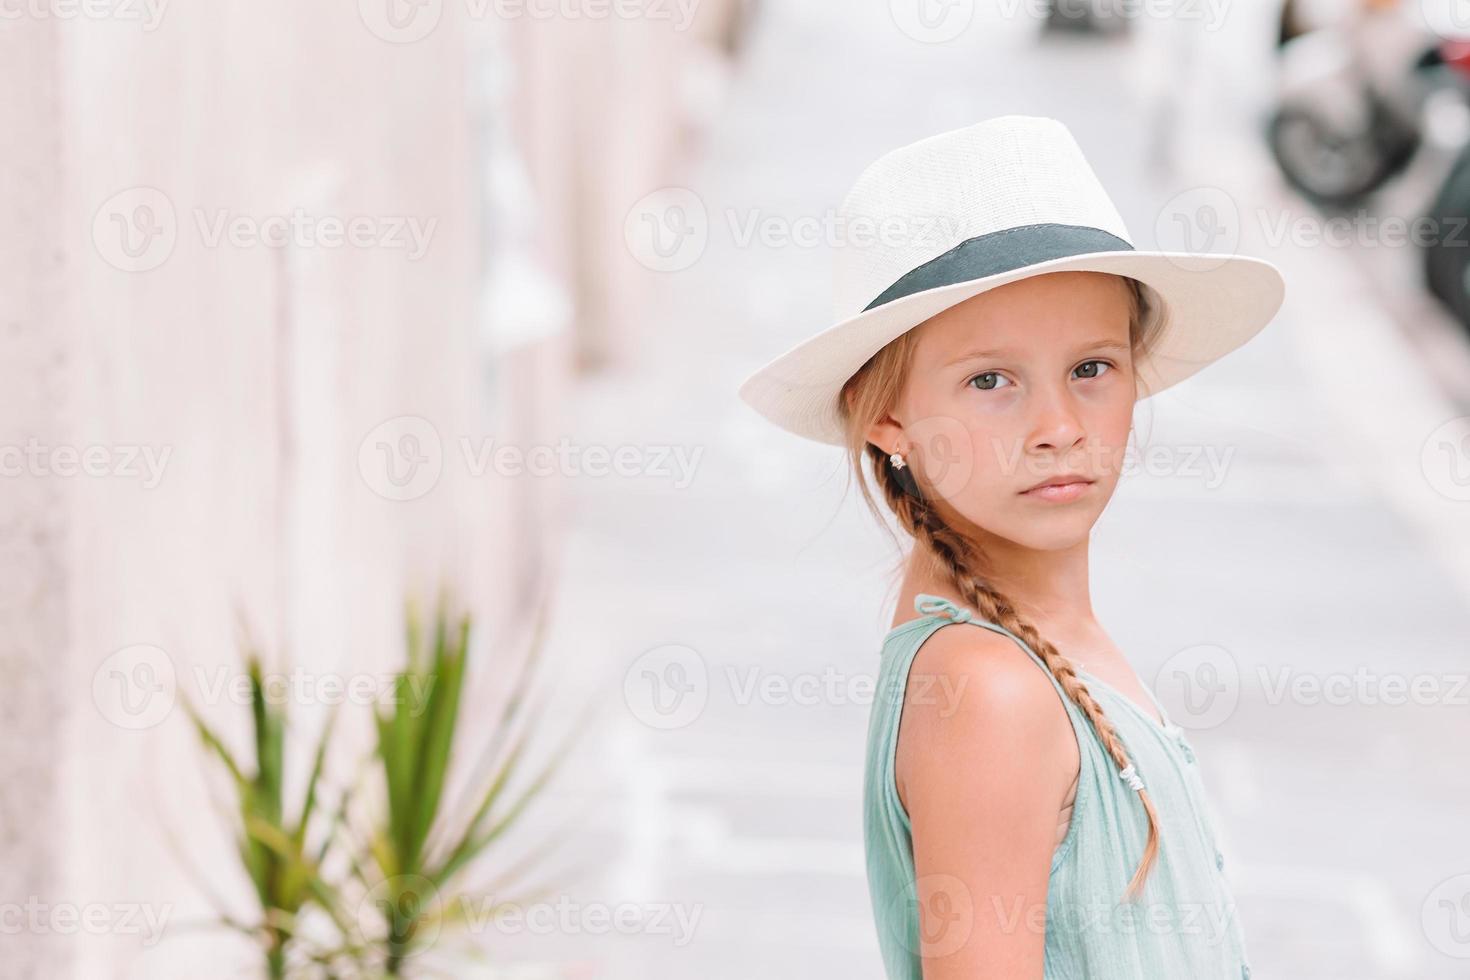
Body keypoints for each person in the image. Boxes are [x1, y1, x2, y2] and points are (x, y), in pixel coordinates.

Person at [737, 116, 1284, 979]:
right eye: (990, 381)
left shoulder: (1030, 633)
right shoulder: (989, 692)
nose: (1059, 427)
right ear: (888, 421)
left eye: (1092, 368)